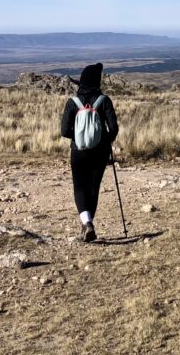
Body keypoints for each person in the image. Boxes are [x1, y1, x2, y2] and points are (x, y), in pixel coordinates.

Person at [60, 62, 119, 242]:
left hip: (78, 151)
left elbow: (64, 131)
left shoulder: (73, 102)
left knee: (80, 186)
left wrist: (79, 137)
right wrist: (104, 139)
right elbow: (114, 129)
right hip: (100, 151)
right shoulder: (104, 100)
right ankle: (88, 224)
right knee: (94, 187)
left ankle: (87, 223)